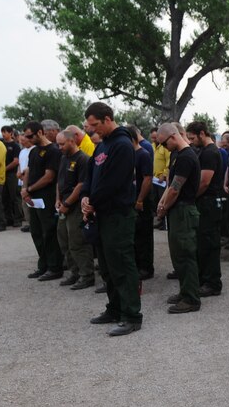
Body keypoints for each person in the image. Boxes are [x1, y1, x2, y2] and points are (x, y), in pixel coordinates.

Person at [81, 103, 143, 335]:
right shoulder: (102, 145)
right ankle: (115, 308)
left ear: (108, 119)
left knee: (122, 265)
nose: (93, 130)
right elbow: (91, 174)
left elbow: (113, 182)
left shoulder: (122, 145)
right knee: (106, 265)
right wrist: (86, 197)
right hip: (101, 214)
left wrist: (92, 202)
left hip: (118, 214)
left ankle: (132, 315)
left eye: (96, 125)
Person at [156, 121, 203, 314]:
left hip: (184, 211)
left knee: (185, 255)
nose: (163, 147)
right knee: (178, 255)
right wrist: (162, 202)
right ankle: (185, 292)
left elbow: (176, 189)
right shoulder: (177, 154)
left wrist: (164, 207)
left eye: (164, 143)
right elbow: (170, 185)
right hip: (177, 210)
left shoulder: (186, 157)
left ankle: (191, 299)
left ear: (173, 137)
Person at [21, 121, 64, 279]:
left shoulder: (53, 150)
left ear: (40, 132)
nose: (27, 139)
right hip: (33, 198)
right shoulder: (33, 151)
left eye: (30, 135)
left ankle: (55, 267)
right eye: (25, 136)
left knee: (49, 232)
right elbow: (29, 170)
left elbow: (49, 176)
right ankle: (43, 264)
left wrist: (30, 189)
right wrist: (25, 189)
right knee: (36, 231)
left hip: (46, 197)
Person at [186, 120, 224, 297]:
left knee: (209, 243)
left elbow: (204, 181)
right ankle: (204, 278)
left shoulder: (210, 153)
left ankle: (212, 282)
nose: (191, 141)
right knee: (202, 242)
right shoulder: (203, 151)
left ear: (202, 133)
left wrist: (191, 198)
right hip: (204, 202)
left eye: (193, 138)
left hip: (209, 202)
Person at [55, 131, 94, 290]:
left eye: (62, 144)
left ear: (72, 141)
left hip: (76, 206)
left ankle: (87, 275)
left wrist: (68, 203)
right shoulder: (64, 157)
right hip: (64, 204)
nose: (60, 147)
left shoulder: (83, 159)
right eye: (58, 144)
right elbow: (59, 181)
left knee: (78, 241)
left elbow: (81, 185)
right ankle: (74, 272)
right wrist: (58, 200)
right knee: (64, 239)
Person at [131, 126, 155, 280]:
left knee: (144, 236)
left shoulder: (143, 155)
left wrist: (140, 199)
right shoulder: (130, 155)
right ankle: (137, 265)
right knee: (134, 236)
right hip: (131, 202)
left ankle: (146, 268)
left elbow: (147, 179)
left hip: (142, 202)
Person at [1, 126, 22, 227]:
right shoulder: (0, 144)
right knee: (4, 197)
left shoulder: (15, 146)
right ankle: (8, 218)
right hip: (1, 175)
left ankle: (18, 219)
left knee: (15, 197)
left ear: (11, 133)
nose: (3, 134)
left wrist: (4, 169)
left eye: (5, 132)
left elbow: (16, 161)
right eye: (2, 132)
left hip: (12, 174)